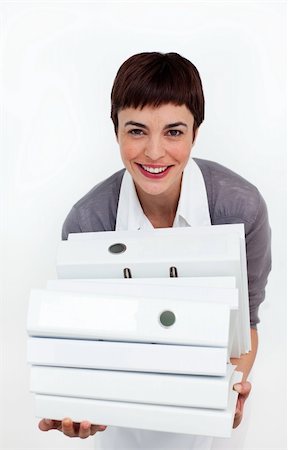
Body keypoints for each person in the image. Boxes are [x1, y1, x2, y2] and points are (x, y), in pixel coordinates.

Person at [38, 52, 271, 449]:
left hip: (209, 408)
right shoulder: (87, 223)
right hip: (122, 414)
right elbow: (85, 342)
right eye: (137, 130)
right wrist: (80, 405)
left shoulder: (240, 209)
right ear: (116, 132)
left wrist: (225, 392)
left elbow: (245, 324)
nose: (155, 152)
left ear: (196, 133)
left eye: (174, 132)